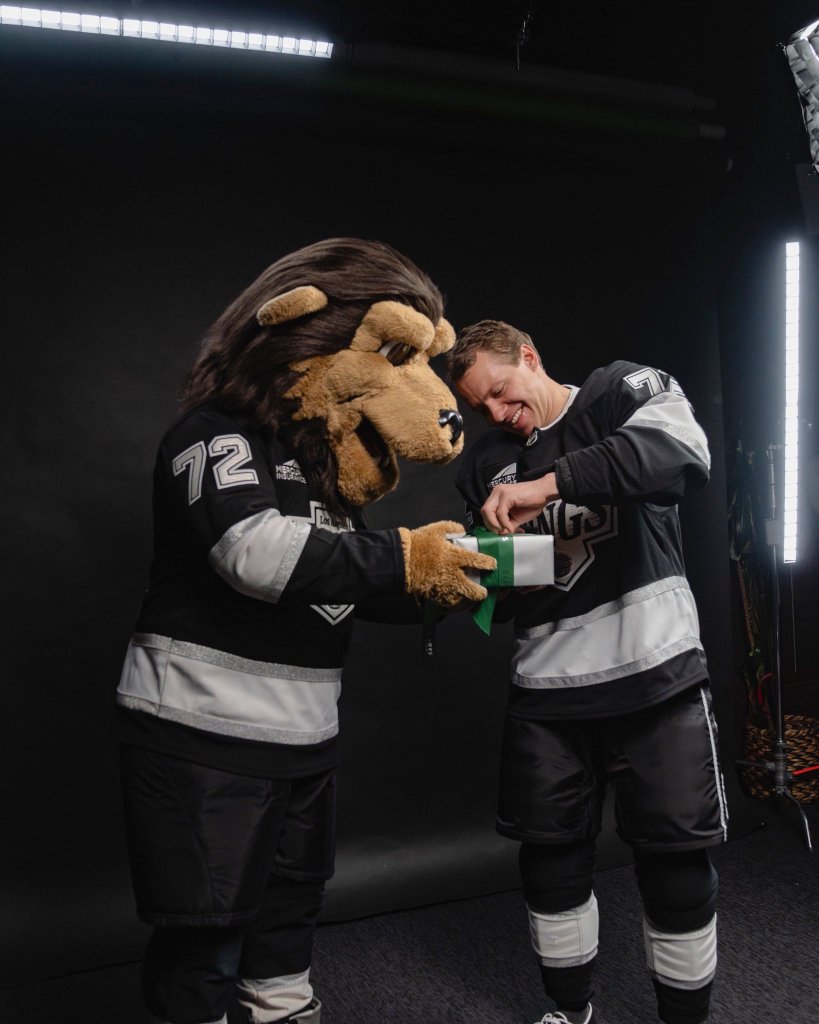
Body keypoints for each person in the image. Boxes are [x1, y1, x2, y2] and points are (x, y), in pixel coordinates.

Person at [113, 238, 494, 1024]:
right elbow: (254, 554)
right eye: (392, 351)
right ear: (295, 330)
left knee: (287, 923)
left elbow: (339, 581)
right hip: (203, 736)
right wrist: (402, 563)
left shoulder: (324, 474)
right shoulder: (214, 436)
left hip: (302, 741)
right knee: (206, 940)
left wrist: (451, 576)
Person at [447, 320, 728, 1024]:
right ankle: (569, 1013)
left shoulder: (614, 392)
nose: (499, 416)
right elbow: (543, 572)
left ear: (531, 356)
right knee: (548, 865)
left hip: (652, 674)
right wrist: (477, 570)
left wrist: (548, 485)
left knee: (673, 864)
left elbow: (678, 452)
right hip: (547, 691)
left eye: (504, 395)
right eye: (482, 408)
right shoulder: (487, 462)